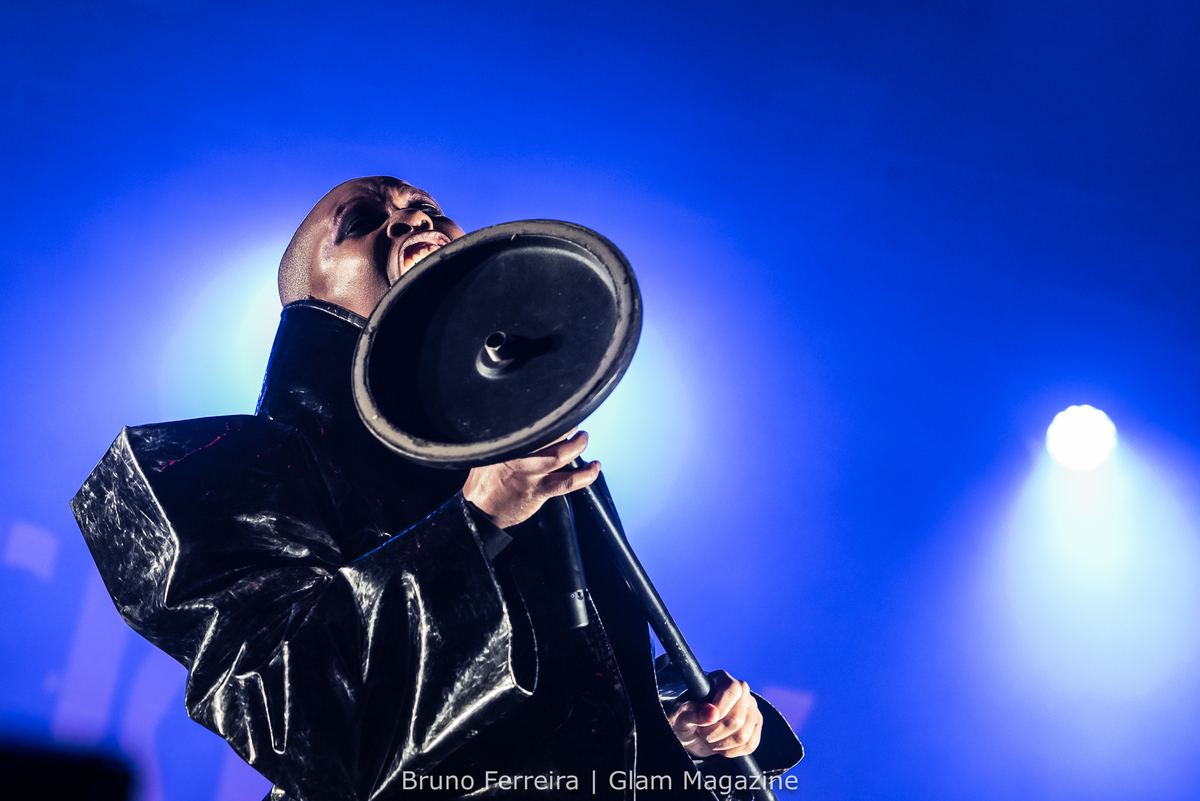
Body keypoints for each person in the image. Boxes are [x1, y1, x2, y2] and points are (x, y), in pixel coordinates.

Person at [72, 176, 802, 799]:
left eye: (427, 209)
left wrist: (679, 739)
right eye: (362, 221)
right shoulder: (222, 467)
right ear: (307, 293)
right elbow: (299, 718)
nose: (411, 220)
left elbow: (554, 740)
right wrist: (475, 520)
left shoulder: (533, 462)